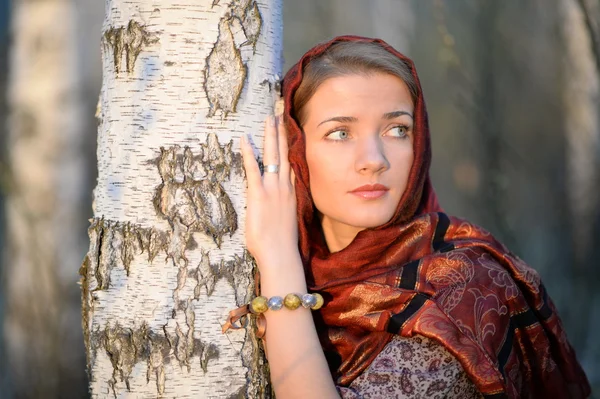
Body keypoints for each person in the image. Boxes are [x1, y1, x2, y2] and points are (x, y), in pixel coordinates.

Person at [224, 36, 591, 398]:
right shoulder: (288, 275)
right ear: (294, 151)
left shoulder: (461, 288)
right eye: (340, 133)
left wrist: (278, 259)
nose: (375, 159)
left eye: (397, 129)